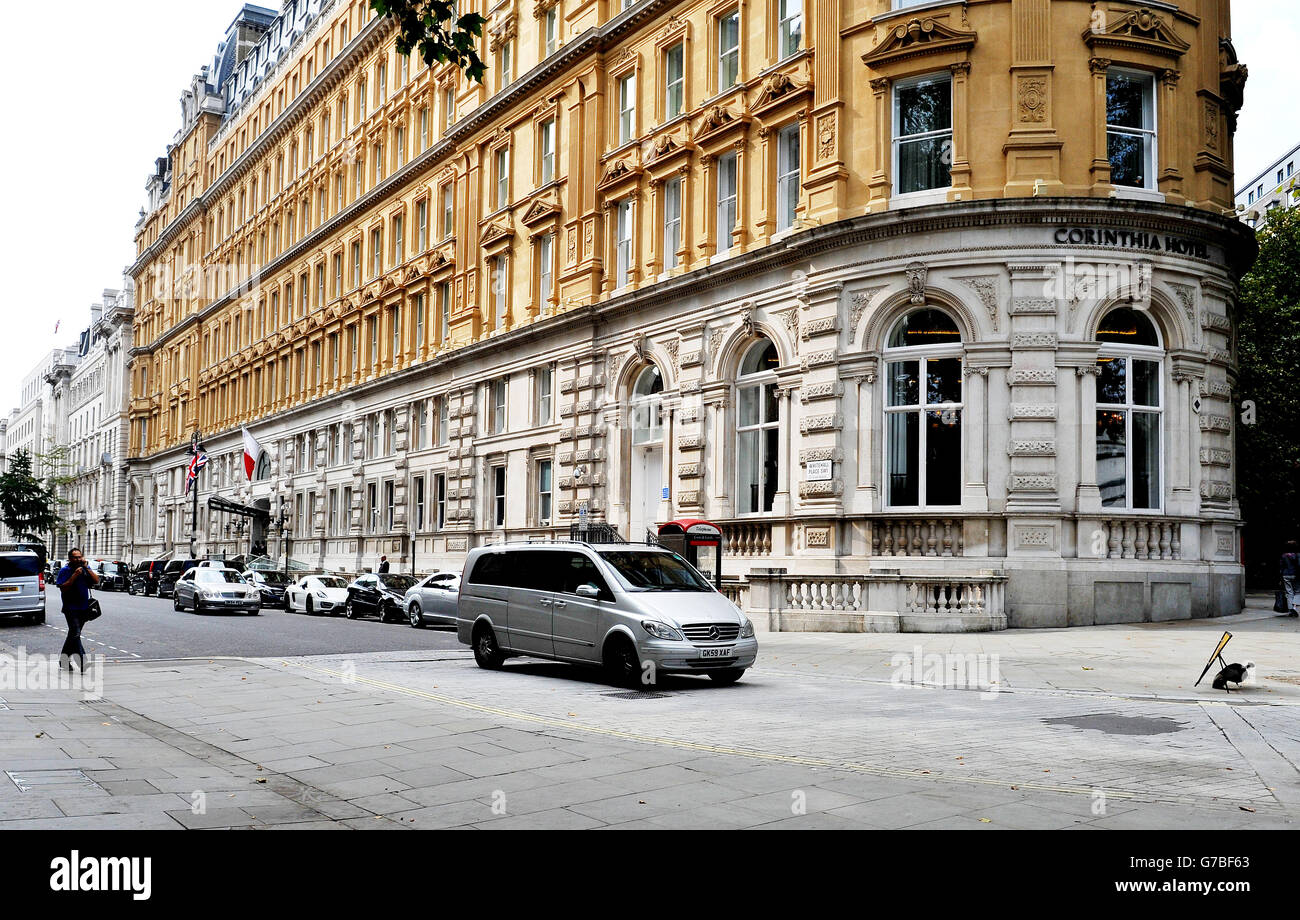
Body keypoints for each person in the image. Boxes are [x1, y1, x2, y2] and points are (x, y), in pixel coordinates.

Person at [55, 548, 99, 671]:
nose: (78, 559)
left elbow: (96, 581)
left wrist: (87, 568)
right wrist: (74, 575)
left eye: (80, 557)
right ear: (70, 558)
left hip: (84, 607)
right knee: (75, 633)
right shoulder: (65, 570)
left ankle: (63, 661)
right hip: (70, 607)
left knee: (73, 635)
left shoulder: (85, 569)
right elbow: (63, 588)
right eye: (75, 557)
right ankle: (83, 662)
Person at [1282, 541, 1300, 617]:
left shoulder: (1283, 555)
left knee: (1289, 592)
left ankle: (1290, 609)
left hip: (1285, 575)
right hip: (1295, 575)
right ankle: (1295, 608)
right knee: (1297, 592)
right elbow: (1299, 565)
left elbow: (1281, 566)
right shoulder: (1298, 555)